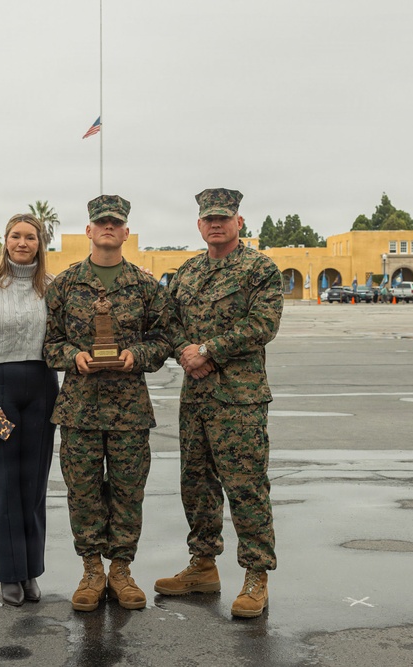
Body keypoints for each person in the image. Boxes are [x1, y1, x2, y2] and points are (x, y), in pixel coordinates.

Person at [154, 188, 283, 619]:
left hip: (239, 399)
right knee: (196, 484)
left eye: (224, 217)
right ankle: (203, 566)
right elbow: (167, 322)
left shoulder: (259, 269)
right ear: (198, 224)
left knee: (245, 487)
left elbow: (263, 324)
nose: (216, 224)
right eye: (209, 218)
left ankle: (256, 575)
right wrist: (185, 352)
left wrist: (207, 350)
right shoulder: (187, 272)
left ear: (239, 222)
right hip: (196, 397)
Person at [43, 194, 170, 612]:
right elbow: (47, 343)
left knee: (128, 491)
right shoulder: (64, 285)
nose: (109, 228)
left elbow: (164, 337)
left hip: (129, 410)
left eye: (116, 222)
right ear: (89, 231)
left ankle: (121, 571)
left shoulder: (146, 286)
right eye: (102, 223)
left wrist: (140, 355)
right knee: (82, 493)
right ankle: (91, 570)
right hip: (79, 409)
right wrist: (72, 357)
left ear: (126, 232)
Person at [0, 213, 59, 607]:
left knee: (34, 486)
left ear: (40, 243)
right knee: (4, 484)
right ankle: (8, 573)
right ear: (5, 241)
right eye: (16, 236)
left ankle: (31, 570)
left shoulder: (50, 287)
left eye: (30, 237)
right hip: (0, 390)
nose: (22, 243)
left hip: (41, 388)